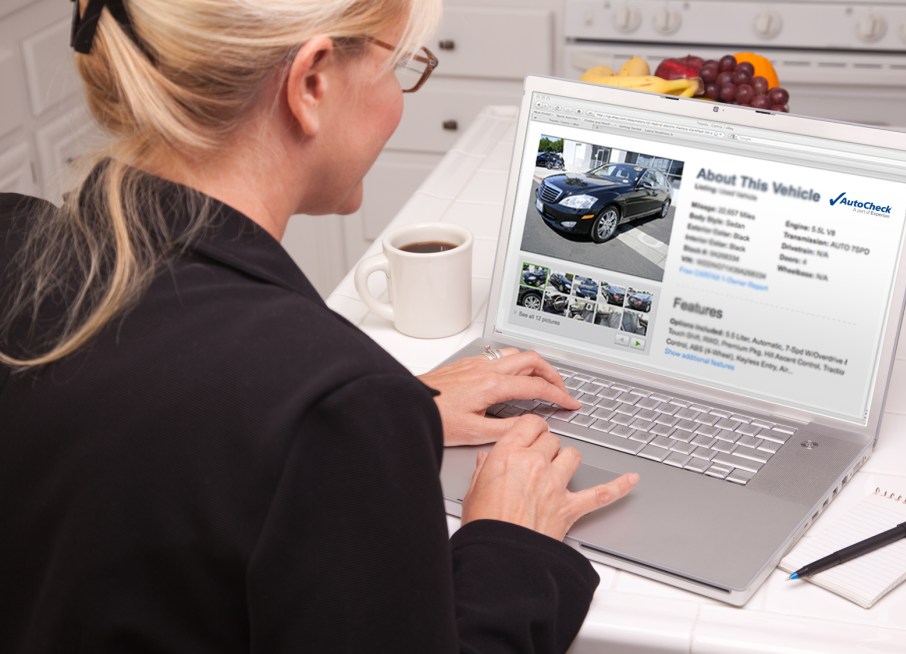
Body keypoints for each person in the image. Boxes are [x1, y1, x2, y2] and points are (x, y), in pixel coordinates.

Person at [0, 1, 638, 652]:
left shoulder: (13, 239)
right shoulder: (332, 401)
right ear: (312, 83)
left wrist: (365, 422)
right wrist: (513, 543)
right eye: (399, 69)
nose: (398, 100)